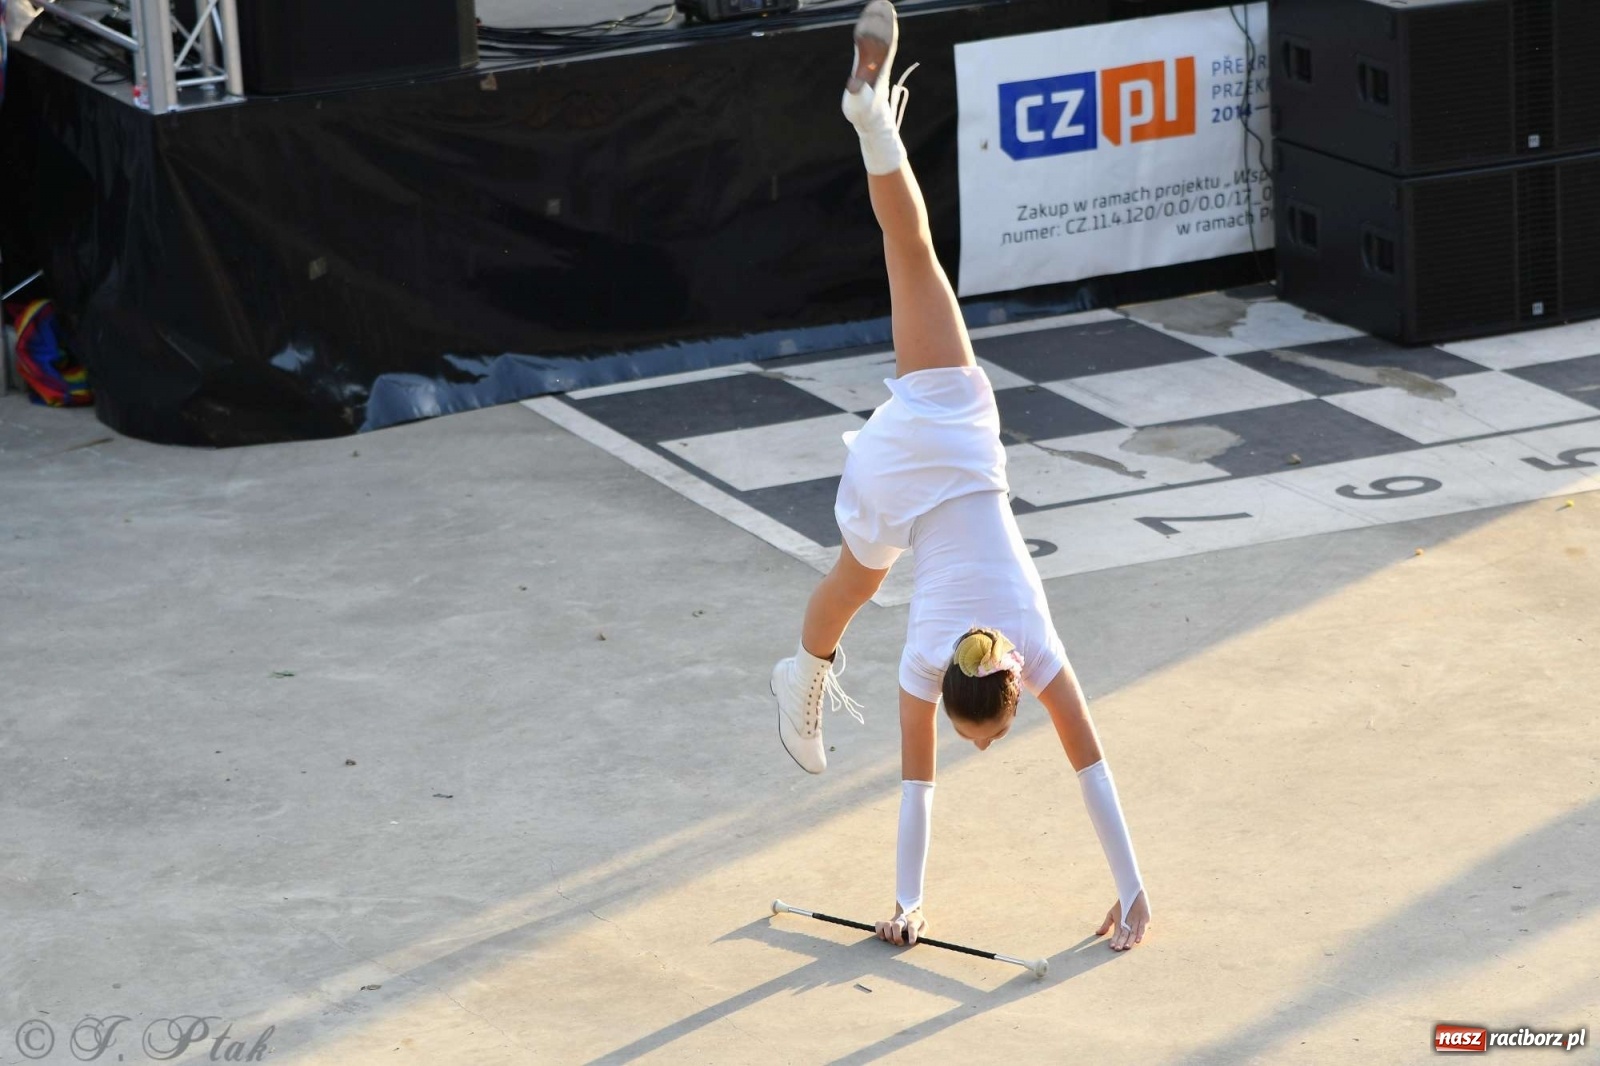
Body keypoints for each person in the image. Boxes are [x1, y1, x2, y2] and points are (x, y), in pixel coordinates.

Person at [768, 0, 1151, 952]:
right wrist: (906, 902)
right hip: (913, 468)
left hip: (948, 432)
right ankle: (801, 676)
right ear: (1000, 687)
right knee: (851, 589)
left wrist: (911, 904)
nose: (976, 747)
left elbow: (1077, 765)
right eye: (987, 736)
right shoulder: (932, 657)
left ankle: (873, 122)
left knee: (914, 249)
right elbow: (923, 785)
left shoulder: (1027, 640)